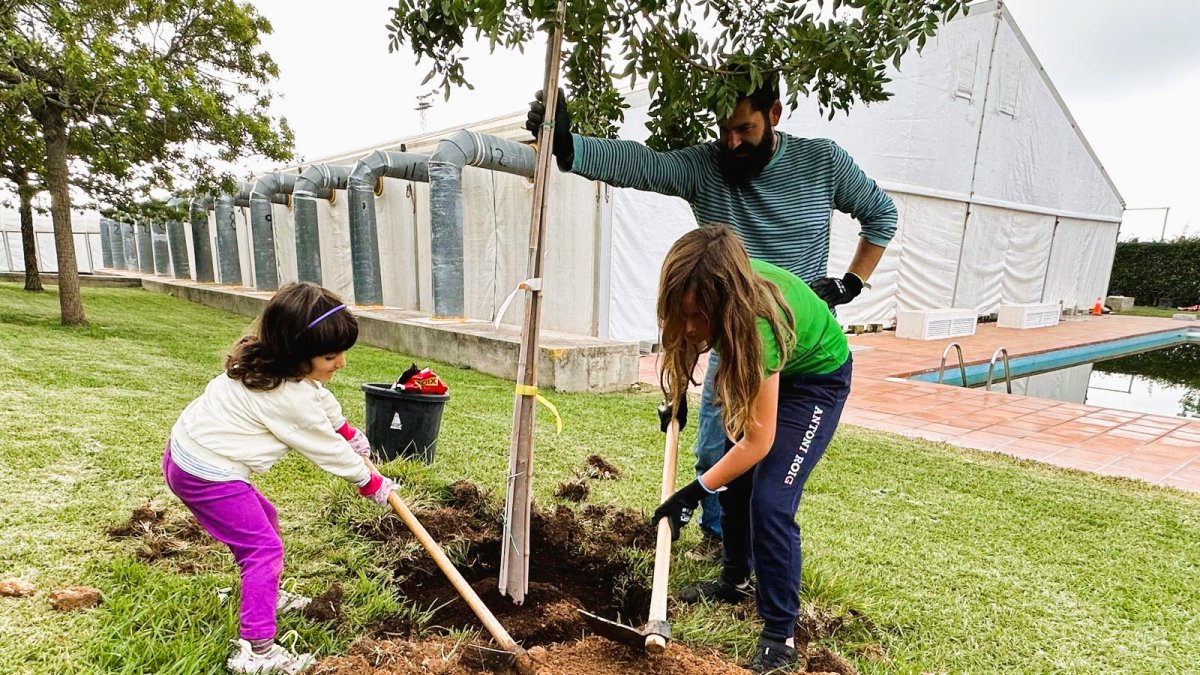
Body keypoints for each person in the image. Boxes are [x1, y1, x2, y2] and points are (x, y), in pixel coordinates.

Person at [527, 72, 894, 558]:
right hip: (731, 334)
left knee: (765, 462)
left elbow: (881, 215)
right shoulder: (707, 166)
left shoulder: (821, 161)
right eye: (724, 130)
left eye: (745, 129)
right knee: (713, 450)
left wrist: (851, 282)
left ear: (775, 115)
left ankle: (754, 554)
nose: (732, 141)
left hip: (797, 347)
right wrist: (571, 149)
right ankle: (724, 549)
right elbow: (643, 164)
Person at [162, 282, 395, 675]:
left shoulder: (275, 364)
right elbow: (322, 446)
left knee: (264, 521)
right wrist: (370, 482)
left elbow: (319, 398)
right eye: (330, 355)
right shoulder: (286, 397)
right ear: (296, 353)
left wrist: (347, 430)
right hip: (207, 474)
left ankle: (261, 594)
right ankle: (257, 651)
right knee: (263, 550)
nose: (341, 363)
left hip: (187, 454)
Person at [651, 225, 852, 673]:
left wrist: (691, 492)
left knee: (771, 500)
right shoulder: (697, 291)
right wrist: (676, 397)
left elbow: (758, 443)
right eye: (681, 312)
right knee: (733, 480)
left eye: (698, 315)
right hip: (760, 364)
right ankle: (733, 579)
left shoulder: (756, 323)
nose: (688, 325)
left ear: (725, 302)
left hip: (814, 381)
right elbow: (680, 343)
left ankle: (780, 634)